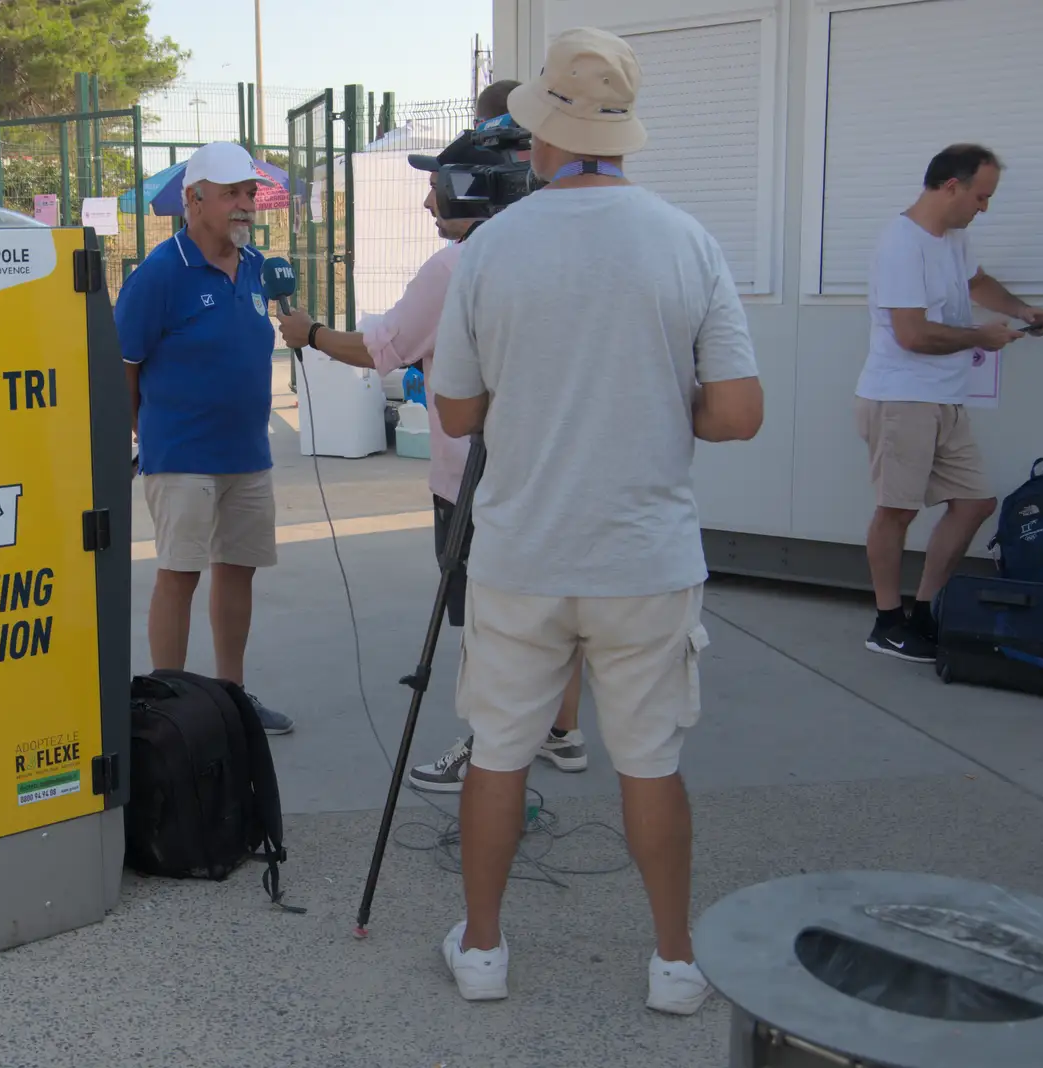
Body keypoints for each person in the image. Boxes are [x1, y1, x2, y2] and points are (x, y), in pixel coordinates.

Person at [429, 27, 764, 1011]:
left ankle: (483, 952)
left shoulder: (492, 248)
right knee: (650, 759)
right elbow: (739, 413)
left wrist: (529, 395)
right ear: (620, 137)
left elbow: (453, 410)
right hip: (645, 558)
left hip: (523, 551)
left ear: (539, 136)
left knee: (497, 752)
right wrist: (660, 403)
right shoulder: (684, 239)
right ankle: (672, 963)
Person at [272, 89, 588, 792]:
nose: (427, 205)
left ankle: (489, 745)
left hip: (476, 481)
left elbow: (383, 348)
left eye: (438, 189)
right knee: (548, 611)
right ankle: (560, 731)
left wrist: (313, 335)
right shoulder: (559, 250)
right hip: (553, 475)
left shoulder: (455, 269)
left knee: (487, 621)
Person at [114, 141, 294, 735]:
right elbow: (124, 366)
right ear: (194, 201)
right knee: (180, 573)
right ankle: (169, 708)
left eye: (250, 194)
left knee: (236, 569)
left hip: (248, 453)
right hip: (181, 455)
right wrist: (140, 435)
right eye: (232, 195)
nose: (246, 206)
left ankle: (232, 696)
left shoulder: (258, 267)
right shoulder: (159, 274)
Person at [855, 144, 1043, 663]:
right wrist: (979, 337)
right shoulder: (901, 245)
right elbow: (912, 334)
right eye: (981, 197)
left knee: (975, 504)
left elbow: (977, 281)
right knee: (895, 511)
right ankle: (887, 622)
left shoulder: (954, 238)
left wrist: (1021, 309)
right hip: (901, 398)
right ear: (951, 187)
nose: (984, 207)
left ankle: (924, 612)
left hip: (945, 397)